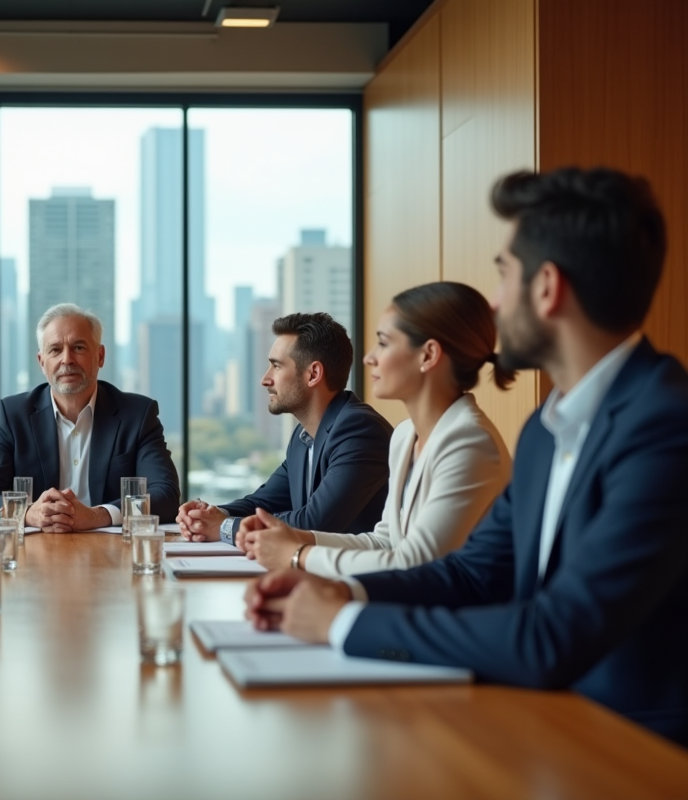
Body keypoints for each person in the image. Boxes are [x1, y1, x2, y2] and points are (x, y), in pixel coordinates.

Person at [245, 167, 688, 747]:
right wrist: (342, 592)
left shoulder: (664, 428)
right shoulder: (546, 431)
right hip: (549, 726)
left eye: (505, 275)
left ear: (548, 287)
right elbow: (473, 573)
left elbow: (554, 635)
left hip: (633, 751)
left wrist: (345, 622)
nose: (497, 302)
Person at [245, 283, 513, 576]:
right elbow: (384, 541)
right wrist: (297, 539)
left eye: (384, 343)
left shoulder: (469, 442)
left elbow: (416, 562)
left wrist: (298, 554)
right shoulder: (404, 435)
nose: (368, 357)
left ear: (428, 355)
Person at [178, 313, 392, 546]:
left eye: (276, 366)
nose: (265, 379)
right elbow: (263, 503)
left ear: (313, 374)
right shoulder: (303, 437)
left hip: (357, 577)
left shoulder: (359, 431)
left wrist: (224, 527)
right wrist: (208, 515)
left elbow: (316, 521)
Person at [0, 303, 179, 530]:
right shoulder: (14, 414)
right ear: (42, 362)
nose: (67, 360)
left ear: (100, 356)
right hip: (35, 554)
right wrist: (26, 513)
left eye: (78, 348)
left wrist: (97, 516)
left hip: (112, 555)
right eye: (55, 350)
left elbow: (165, 494)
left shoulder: (137, 414)